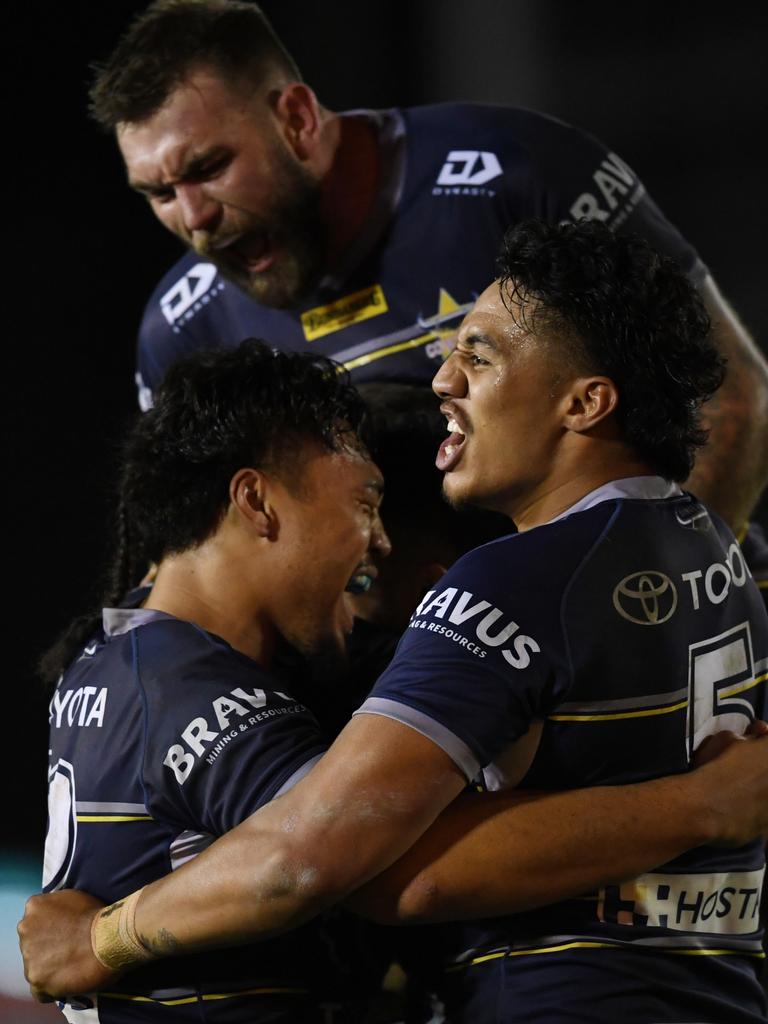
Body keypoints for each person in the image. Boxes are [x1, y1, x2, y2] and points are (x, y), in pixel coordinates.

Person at [20, 223, 768, 1022]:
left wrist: (102, 939)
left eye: (478, 356)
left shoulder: (519, 579)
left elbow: (345, 864)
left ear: (584, 402)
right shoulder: (727, 555)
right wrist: (701, 805)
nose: (443, 378)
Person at [87, 0, 768, 541]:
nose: (194, 218)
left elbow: (734, 400)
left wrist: (648, 607)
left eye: (208, 168)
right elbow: (196, 563)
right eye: (158, 193)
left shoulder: (518, 173)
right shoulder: (179, 330)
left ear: (295, 117)